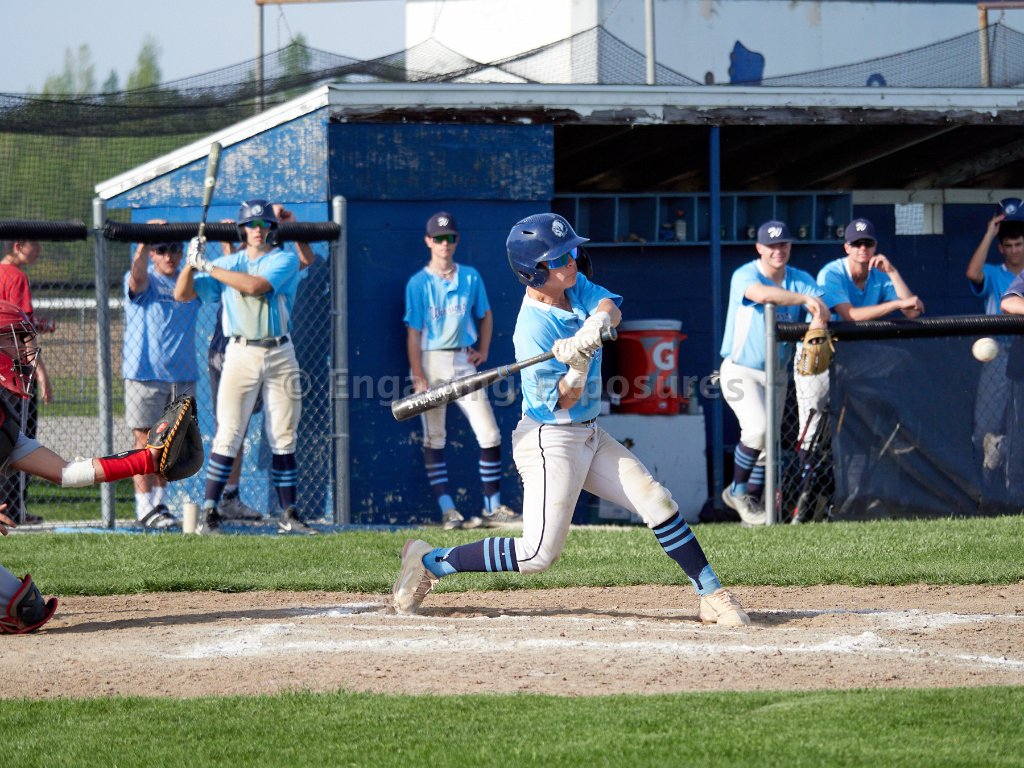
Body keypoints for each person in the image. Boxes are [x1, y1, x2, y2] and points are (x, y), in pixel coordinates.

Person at [391, 212, 749, 626]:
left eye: (571, 253)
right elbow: (561, 401)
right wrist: (577, 366)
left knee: (656, 499)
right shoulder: (532, 329)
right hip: (550, 439)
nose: (572, 262)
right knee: (536, 554)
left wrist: (597, 323)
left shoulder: (574, 287)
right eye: (560, 258)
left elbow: (610, 307)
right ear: (533, 271)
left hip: (589, 433)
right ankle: (431, 560)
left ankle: (711, 593)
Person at [0, 300, 187, 633]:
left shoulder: (4, 421)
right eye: (13, 339)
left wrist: (147, 459)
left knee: (26, 608)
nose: (24, 351)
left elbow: (67, 472)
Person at [175, 199, 314, 535]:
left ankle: (289, 513)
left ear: (272, 229)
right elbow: (182, 294)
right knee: (229, 431)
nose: (258, 230)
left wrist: (208, 266)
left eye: (264, 224)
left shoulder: (281, 259)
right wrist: (190, 265)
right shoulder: (229, 263)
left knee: (283, 433)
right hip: (240, 353)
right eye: (251, 225)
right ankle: (210, 512)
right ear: (242, 229)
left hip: (280, 352)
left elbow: (255, 287)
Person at [404, 211, 521, 530]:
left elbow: (486, 314)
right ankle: (448, 510)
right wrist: (418, 373)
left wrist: (483, 350)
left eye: (450, 238)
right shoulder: (418, 282)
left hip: (463, 361)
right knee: (435, 435)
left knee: (489, 433)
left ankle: (492, 508)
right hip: (431, 360)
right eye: (439, 238)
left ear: (456, 241)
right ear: (428, 241)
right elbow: (413, 331)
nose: (445, 243)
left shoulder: (469, 276)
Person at [719, 220, 831, 526]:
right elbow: (762, 295)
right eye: (771, 245)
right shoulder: (745, 273)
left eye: (783, 244)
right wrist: (805, 300)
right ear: (759, 248)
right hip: (741, 370)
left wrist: (818, 316)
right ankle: (737, 491)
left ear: (790, 245)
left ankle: (753, 513)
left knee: (768, 446)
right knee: (758, 430)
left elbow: (822, 306)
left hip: (778, 373)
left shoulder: (800, 278)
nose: (777, 250)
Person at [794, 217, 924, 465]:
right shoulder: (832, 272)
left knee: (902, 360)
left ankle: (892, 426)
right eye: (856, 244)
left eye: (867, 243)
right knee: (810, 429)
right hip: (819, 357)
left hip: (853, 357)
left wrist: (893, 273)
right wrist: (896, 304)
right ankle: (804, 482)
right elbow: (850, 315)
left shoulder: (880, 273)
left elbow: (912, 312)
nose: (862, 249)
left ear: (875, 246)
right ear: (847, 247)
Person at [123, 225, 200, 529]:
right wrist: (143, 240)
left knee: (172, 442)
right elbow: (136, 278)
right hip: (145, 375)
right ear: (152, 254)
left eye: (174, 249)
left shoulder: (189, 282)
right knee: (145, 440)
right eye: (161, 249)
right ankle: (144, 507)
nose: (169, 255)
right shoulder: (146, 280)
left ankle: (159, 504)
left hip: (182, 376)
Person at [966, 199, 1024, 500]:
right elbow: (973, 273)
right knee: (984, 432)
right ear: (1002, 247)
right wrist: (990, 233)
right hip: (999, 351)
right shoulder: (995, 272)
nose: (1014, 250)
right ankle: (988, 488)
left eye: (1019, 244)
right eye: (1008, 245)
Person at [0, 240, 55, 525]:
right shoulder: (16, 276)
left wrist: (40, 324)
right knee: (19, 439)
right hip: (14, 371)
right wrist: (40, 374)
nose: (40, 249)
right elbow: (24, 334)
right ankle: (14, 509)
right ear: (18, 245)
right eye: (35, 243)